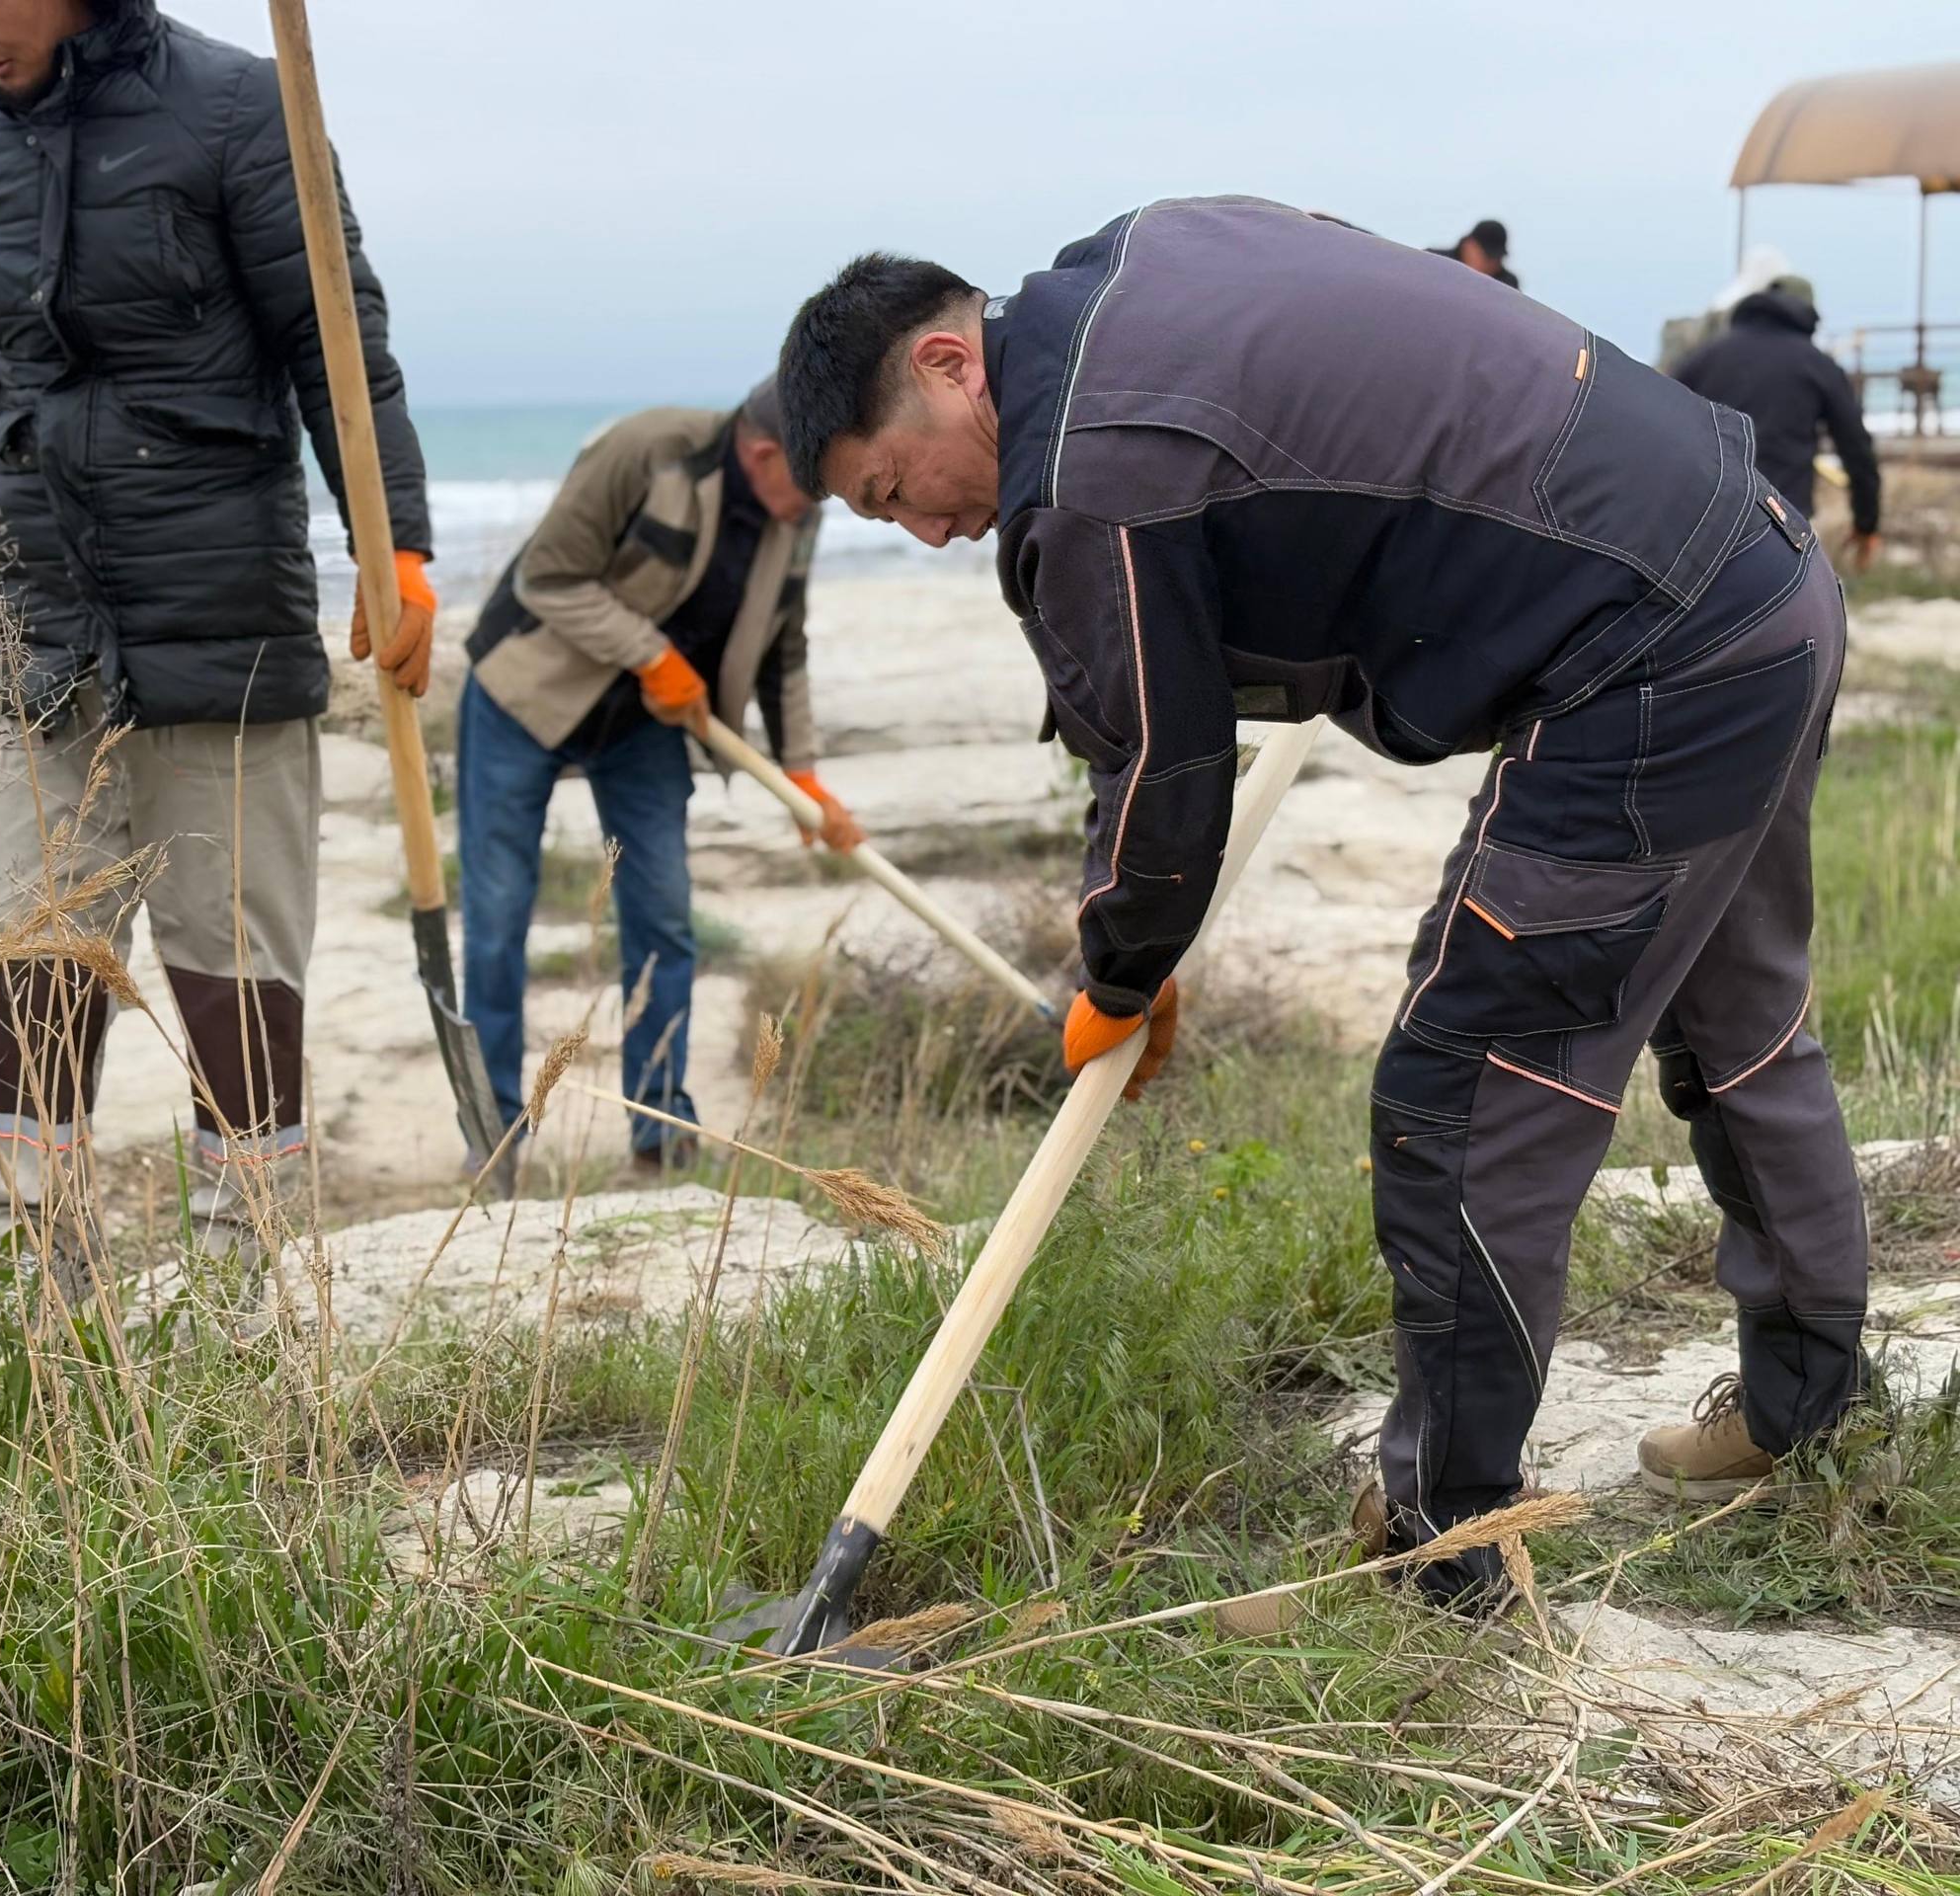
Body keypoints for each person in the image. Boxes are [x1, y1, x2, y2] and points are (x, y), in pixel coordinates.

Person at [775, 198, 1866, 1606]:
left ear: (945, 365)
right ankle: (1807, 1415)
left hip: (1659, 654)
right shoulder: (1148, 257)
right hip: (1761, 571)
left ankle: (1442, 1544)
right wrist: (1136, 943)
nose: (923, 531)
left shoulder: (1092, 467)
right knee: (1737, 1026)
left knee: (1463, 1089)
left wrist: (1118, 975)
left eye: (891, 491)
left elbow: (1165, 771)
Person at [0, 0, 433, 1245]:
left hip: (220, 611)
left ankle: (244, 1278)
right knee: (31, 952)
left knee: (233, 961)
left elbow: (335, 342)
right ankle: (38, 1273)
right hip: (41, 617)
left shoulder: (241, 106)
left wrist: (391, 546)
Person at [458, 381, 858, 1171]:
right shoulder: (646, 450)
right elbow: (548, 578)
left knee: (663, 918)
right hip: (524, 693)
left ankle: (659, 1126)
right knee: (498, 916)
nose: (817, 507)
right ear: (762, 454)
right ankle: (494, 1132)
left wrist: (802, 777)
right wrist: (650, 654)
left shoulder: (800, 508)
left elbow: (785, 646)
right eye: (809, 488)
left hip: (649, 723)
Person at [1674, 275, 1883, 573]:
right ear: (1808, 311)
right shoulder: (1817, 364)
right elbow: (1857, 449)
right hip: (1782, 523)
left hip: (1703, 521)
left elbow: (1664, 429)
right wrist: (1866, 523)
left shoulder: (1702, 358)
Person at [1431, 217, 1517, 288]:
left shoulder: (1507, 284)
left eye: (1497, 258)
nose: (1492, 264)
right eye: (1487, 256)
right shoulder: (1434, 263)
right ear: (1469, 246)